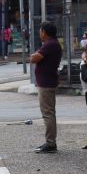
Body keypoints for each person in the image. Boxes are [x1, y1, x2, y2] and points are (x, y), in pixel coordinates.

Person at [30, 22, 62, 153]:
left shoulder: (50, 44)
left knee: (48, 114)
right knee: (49, 113)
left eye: (40, 31)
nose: (39, 34)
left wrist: (35, 54)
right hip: (47, 82)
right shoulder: (51, 44)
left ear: (45, 32)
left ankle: (50, 144)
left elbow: (34, 58)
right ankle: (50, 142)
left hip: (46, 84)